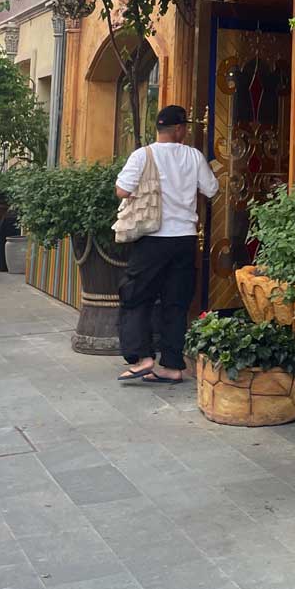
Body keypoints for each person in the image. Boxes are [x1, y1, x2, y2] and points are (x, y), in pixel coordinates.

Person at [115, 104, 218, 384]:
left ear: (159, 129)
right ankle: (172, 366)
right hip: (184, 238)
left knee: (136, 296)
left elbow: (122, 190)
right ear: (179, 129)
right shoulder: (193, 156)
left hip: (151, 238)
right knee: (176, 302)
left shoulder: (142, 155)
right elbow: (211, 189)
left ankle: (142, 357)